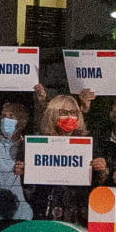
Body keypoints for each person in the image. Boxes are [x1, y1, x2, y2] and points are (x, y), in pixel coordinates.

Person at [17, 93, 92, 224]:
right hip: (46, 213)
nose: (70, 117)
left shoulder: (86, 146)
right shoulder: (37, 146)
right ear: (52, 116)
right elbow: (31, 191)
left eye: (73, 112)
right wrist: (24, 174)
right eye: (63, 112)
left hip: (77, 216)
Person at [0, 98, 34, 227]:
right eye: (4, 116)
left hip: (20, 215)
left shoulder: (29, 147)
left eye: (11, 117)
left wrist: (28, 170)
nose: (6, 120)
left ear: (21, 122)